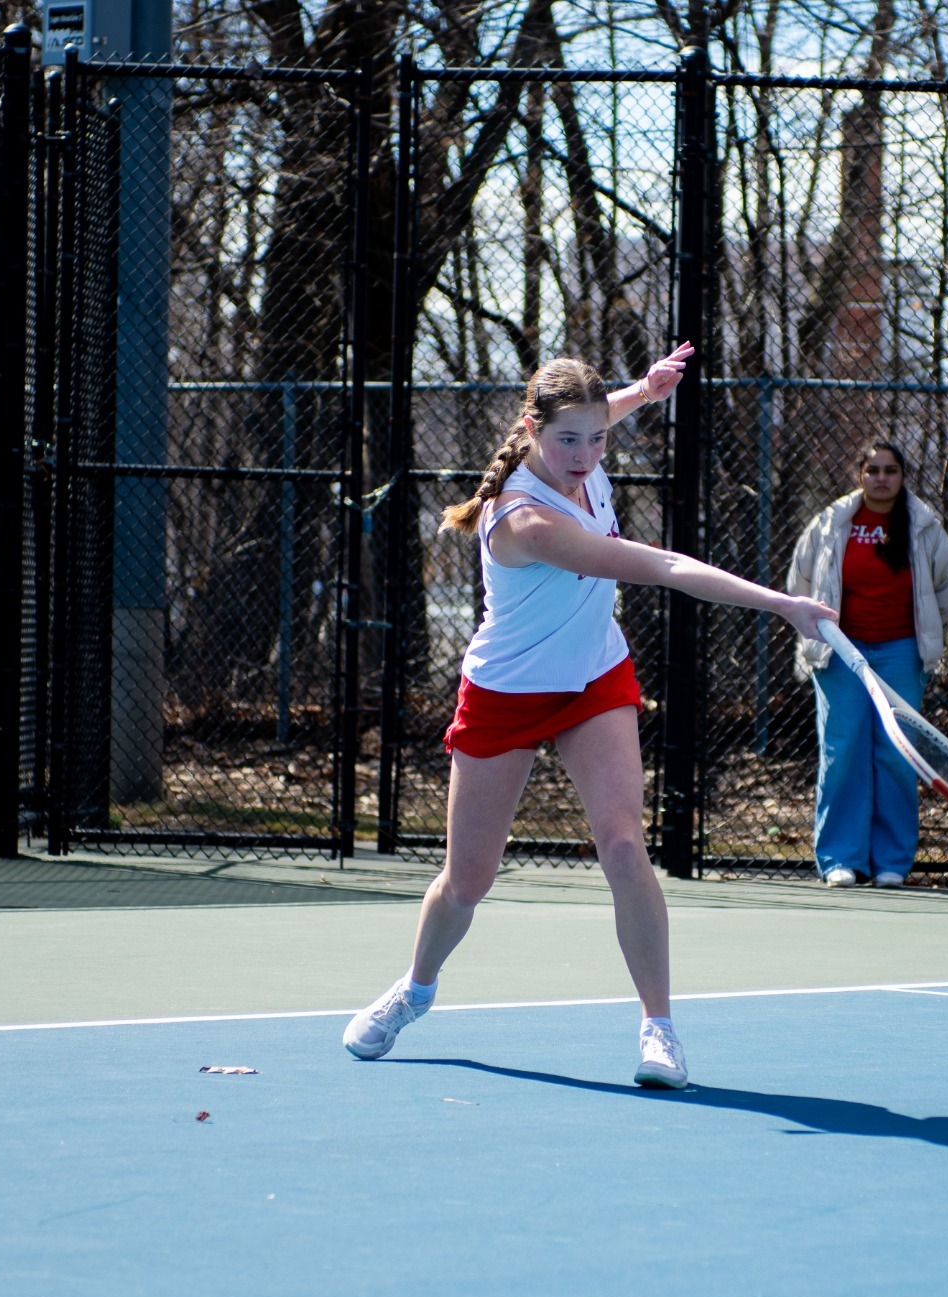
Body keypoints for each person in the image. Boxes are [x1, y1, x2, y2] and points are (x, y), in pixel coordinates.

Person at [342, 343, 837, 1088]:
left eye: (597, 439)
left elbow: (602, 413)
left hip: (595, 677)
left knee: (625, 844)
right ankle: (415, 989)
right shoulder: (525, 521)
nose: (584, 456)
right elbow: (663, 567)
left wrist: (646, 390)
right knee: (466, 882)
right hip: (506, 694)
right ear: (531, 430)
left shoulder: (585, 453)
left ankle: (659, 1029)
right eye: (568, 440)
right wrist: (781, 604)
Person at [787, 443, 948, 888]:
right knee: (842, 750)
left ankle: (891, 864)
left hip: (901, 652)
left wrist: (922, 625)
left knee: (897, 752)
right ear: (860, 474)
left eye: (890, 470)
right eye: (873, 470)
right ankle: (840, 860)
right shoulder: (830, 521)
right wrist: (823, 632)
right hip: (839, 652)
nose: (882, 478)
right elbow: (800, 581)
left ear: (902, 476)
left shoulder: (924, 525)